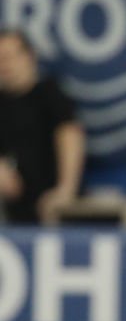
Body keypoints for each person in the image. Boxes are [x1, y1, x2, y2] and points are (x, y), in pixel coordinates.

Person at [0, 29, 85, 224]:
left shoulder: (49, 94)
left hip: (51, 207)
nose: (4, 64)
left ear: (30, 56)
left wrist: (65, 190)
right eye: (0, 58)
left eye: (10, 56)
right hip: (10, 212)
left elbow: (70, 134)